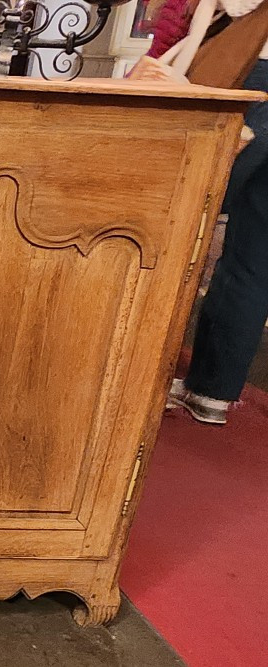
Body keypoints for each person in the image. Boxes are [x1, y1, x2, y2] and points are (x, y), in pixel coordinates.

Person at [167, 0, 268, 424]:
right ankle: (213, 391)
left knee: (178, 228)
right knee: (255, 254)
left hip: (252, 78)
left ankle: (138, 375)